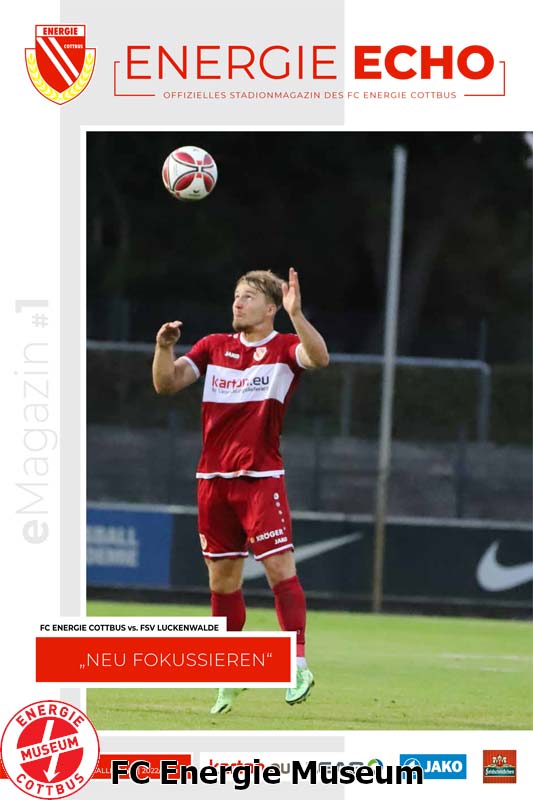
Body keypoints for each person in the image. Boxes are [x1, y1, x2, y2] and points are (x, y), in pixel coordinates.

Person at [152, 267, 329, 714]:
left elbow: (319, 358)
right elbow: (166, 383)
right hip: (213, 482)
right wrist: (164, 348)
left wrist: (297, 315)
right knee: (222, 581)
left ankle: (296, 664)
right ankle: (228, 673)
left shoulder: (284, 348)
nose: (238, 302)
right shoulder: (214, 346)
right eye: (236, 295)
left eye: (248, 296)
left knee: (279, 569)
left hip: (260, 479)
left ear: (270, 308)